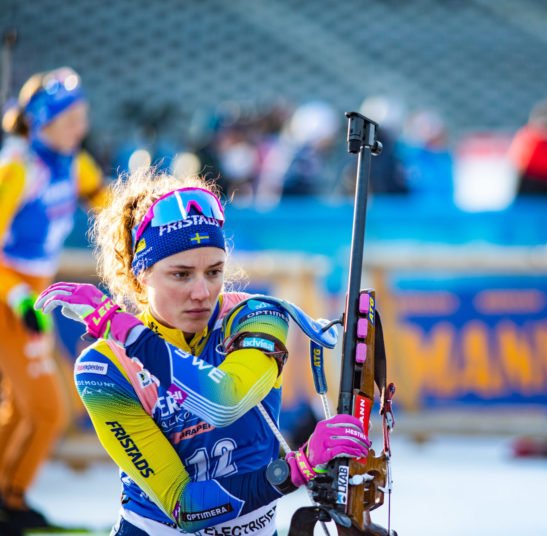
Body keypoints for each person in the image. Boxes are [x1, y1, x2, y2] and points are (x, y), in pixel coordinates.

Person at [34, 169, 370, 535]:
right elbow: (185, 505)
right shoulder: (106, 366)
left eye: (214, 271)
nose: (202, 292)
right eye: (181, 274)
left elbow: (224, 399)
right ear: (140, 275)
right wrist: (297, 468)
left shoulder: (254, 316)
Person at [0, 66, 106, 532]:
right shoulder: (18, 169)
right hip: (10, 298)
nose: (81, 126)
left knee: (29, 408)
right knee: (49, 409)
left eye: (82, 116)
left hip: (31, 296)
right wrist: (20, 298)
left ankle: (9, 495)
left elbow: (107, 202)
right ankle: (14, 500)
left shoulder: (72, 163)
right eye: (71, 118)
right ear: (44, 121)